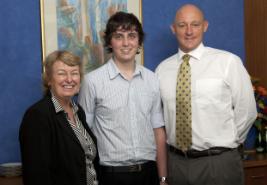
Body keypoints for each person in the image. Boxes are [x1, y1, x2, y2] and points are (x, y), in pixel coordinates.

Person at [155, 4, 257, 185]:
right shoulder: (161, 70)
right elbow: (160, 120)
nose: (188, 31)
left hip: (218, 164)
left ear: (205, 26)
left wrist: (226, 145)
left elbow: (247, 111)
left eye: (195, 24)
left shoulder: (228, 62)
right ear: (173, 29)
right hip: (177, 164)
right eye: (182, 25)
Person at [78, 12, 168, 185]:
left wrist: (163, 178)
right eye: (119, 36)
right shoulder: (92, 82)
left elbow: (158, 131)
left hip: (148, 173)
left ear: (139, 41)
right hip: (110, 175)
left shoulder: (152, 79)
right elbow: (83, 136)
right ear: (110, 42)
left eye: (132, 36)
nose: (126, 43)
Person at [19, 50, 99, 185]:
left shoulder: (79, 112)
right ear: (49, 80)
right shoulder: (37, 116)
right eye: (62, 73)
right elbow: (36, 175)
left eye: (74, 73)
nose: (69, 79)